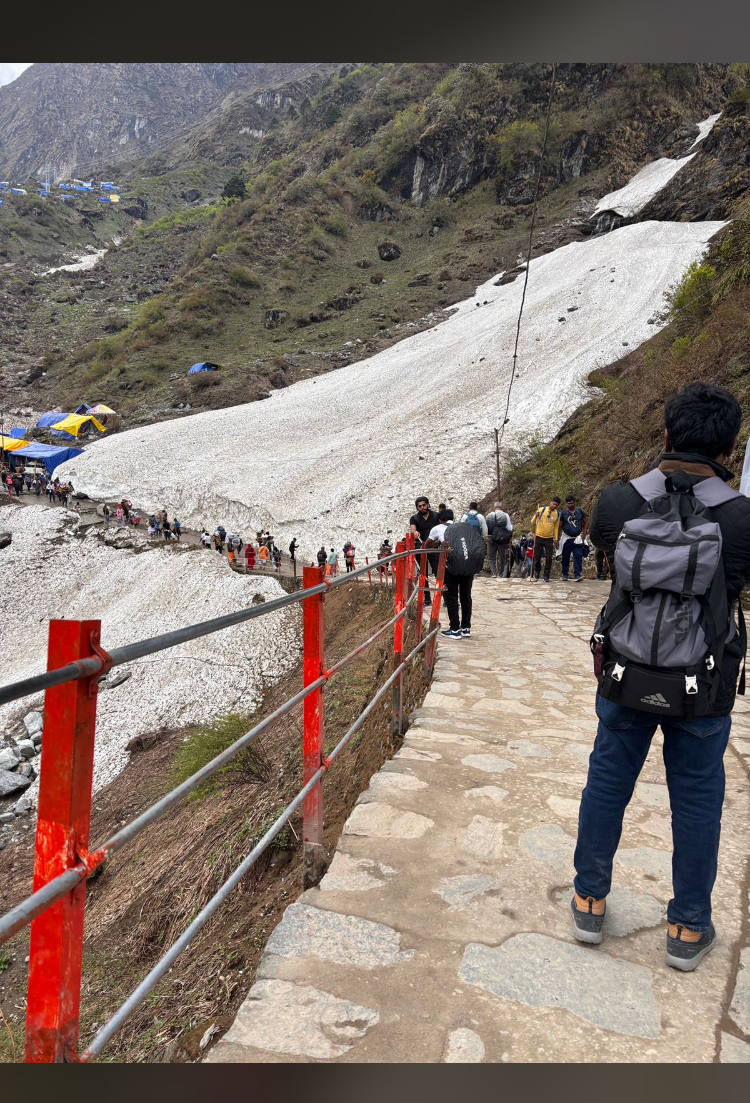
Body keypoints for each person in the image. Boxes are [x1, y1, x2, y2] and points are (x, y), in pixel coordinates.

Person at [572, 383, 750, 972]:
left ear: (667, 434)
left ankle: (589, 901)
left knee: (608, 781)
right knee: (697, 800)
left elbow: (602, 546)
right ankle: (686, 927)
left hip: (626, 671)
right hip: (704, 684)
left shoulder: (621, 502)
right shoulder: (742, 517)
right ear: (729, 445)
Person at [426, 508, 484, 639]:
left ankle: (454, 629)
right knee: (466, 596)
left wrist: (433, 545)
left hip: (451, 568)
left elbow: (427, 544)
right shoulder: (464, 527)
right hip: (468, 565)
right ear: (453, 518)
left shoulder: (438, 528)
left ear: (440, 520)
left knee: (451, 596)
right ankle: (466, 628)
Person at [410, 496, 439, 607]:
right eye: (420, 506)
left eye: (424, 505)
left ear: (428, 504)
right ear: (417, 508)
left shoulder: (436, 516)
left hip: (434, 547)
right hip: (420, 547)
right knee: (423, 574)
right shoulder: (414, 518)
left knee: (438, 572)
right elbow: (412, 528)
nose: (422, 508)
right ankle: (427, 598)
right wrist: (415, 532)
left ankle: (445, 597)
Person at [531, 497, 561, 582]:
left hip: (549, 539)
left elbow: (556, 527)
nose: (554, 506)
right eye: (553, 504)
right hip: (539, 537)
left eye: (556, 505)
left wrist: (556, 539)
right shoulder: (541, 510)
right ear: (550, 502)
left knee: (549, 558)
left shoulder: (557, 514)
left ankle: (546, 576)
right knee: (537, 557)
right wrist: (535, 516)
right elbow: (532, 522)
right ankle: (536, 573)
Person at [559, 494, 589, 582]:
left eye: (571, 503)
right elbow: (559, 526)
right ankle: (564, 574)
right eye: (568, 503)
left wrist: (584, 534)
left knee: (578, 555)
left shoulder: (580, 511)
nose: (570, 505)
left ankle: (577, 575)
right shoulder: (563, 513)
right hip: (567, 538)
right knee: (565, 556)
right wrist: (557, 538)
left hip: (577, 538)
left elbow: (586, 522)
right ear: (566, 504)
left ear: (574, 503)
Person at [486, 501, 513, 578]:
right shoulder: (506, 515)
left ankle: (493, 572)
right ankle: (500, 573)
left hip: (492, 538)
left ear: (494, 507)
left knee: (491, 556)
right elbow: (509, 528)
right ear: (501, 507)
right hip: (502, 538)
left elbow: (486, 528)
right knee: (502, 556)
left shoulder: (489, 515)